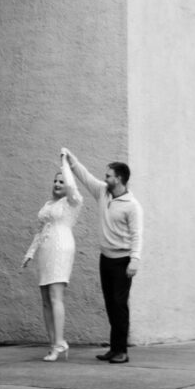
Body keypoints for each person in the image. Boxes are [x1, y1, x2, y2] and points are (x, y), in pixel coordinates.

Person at [62, 148, 143, 365]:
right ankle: (114, 349)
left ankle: (122, 351)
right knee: (110, 304)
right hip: (105, 259)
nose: (104, 178)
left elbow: (137, 234)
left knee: (119, 305)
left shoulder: (132, 206)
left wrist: (135, 259)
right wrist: (72, 160)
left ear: (119, 179)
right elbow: (86, 177)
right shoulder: (103, 192)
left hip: (123, 261)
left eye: (108, 175)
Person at [21, 151, 82, 361]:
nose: (57, 184)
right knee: (45, 299)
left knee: (56, 296)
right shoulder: (48, 205)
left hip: (62, 247)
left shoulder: (72, 202)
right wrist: (30, 253)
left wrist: (64, 162)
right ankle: (54, 343)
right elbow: (40, 232)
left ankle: (60, 343)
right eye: (55, 180)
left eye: (62, 181)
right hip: (46, 251)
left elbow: (73, 186)